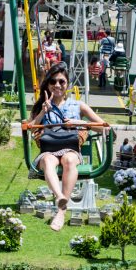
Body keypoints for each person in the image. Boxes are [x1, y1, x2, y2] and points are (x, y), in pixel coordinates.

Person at [29, 62, 107, 231]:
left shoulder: (78, 106)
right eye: (53, 82)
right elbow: (31, 129)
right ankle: (61, 199)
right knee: (49, 160)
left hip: (70, 148)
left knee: (69, 160)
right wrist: (43, 111)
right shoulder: (42, 105)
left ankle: (60, 212)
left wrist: (79, 122)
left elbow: (104, 126)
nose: (57, 85)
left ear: (67, 85)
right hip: (48, 149)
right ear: (48, 85)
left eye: (61, 82)